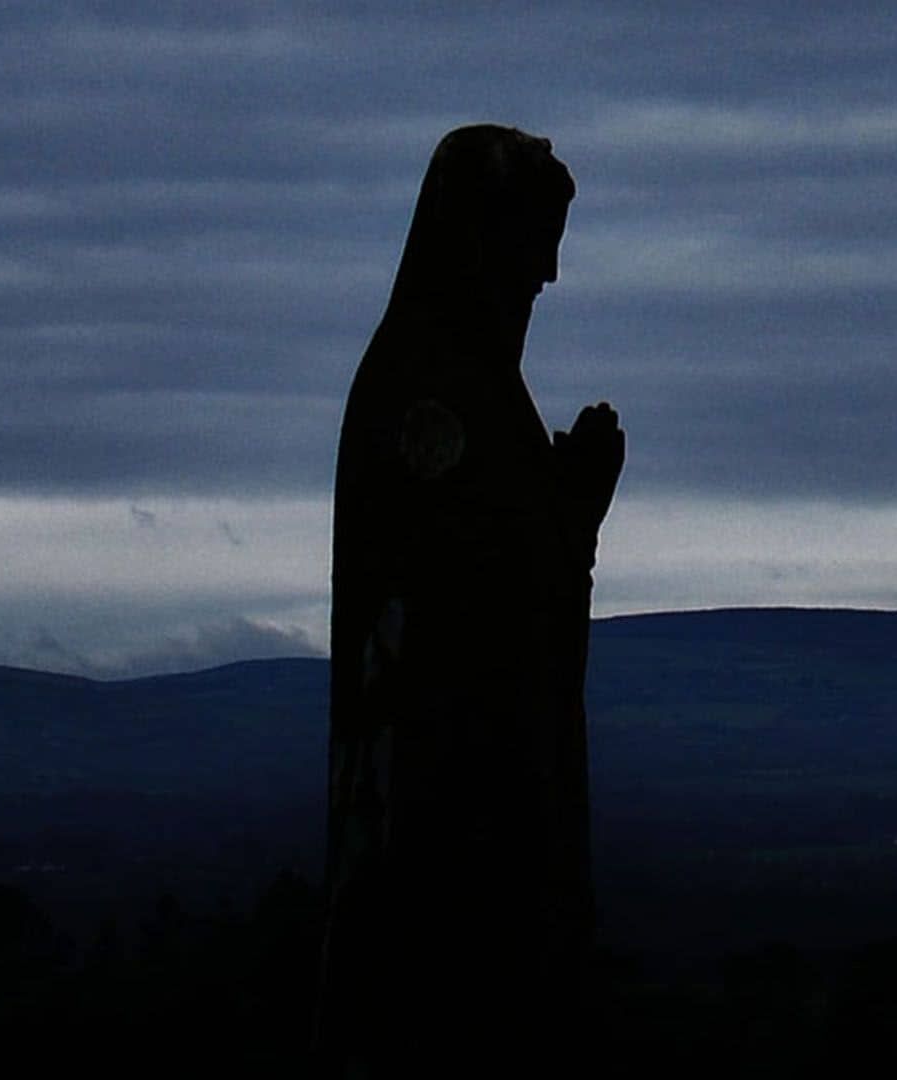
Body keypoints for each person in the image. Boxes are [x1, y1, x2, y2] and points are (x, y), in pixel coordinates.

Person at [317, 124, 622, 1073]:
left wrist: (568, 514)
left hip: (476, 802)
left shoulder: (470, 397)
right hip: (444, 819)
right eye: (534, 261)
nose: (549, 284)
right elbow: (465, 602)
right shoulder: (430, 401)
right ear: (483, 247)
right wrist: (566, 521)